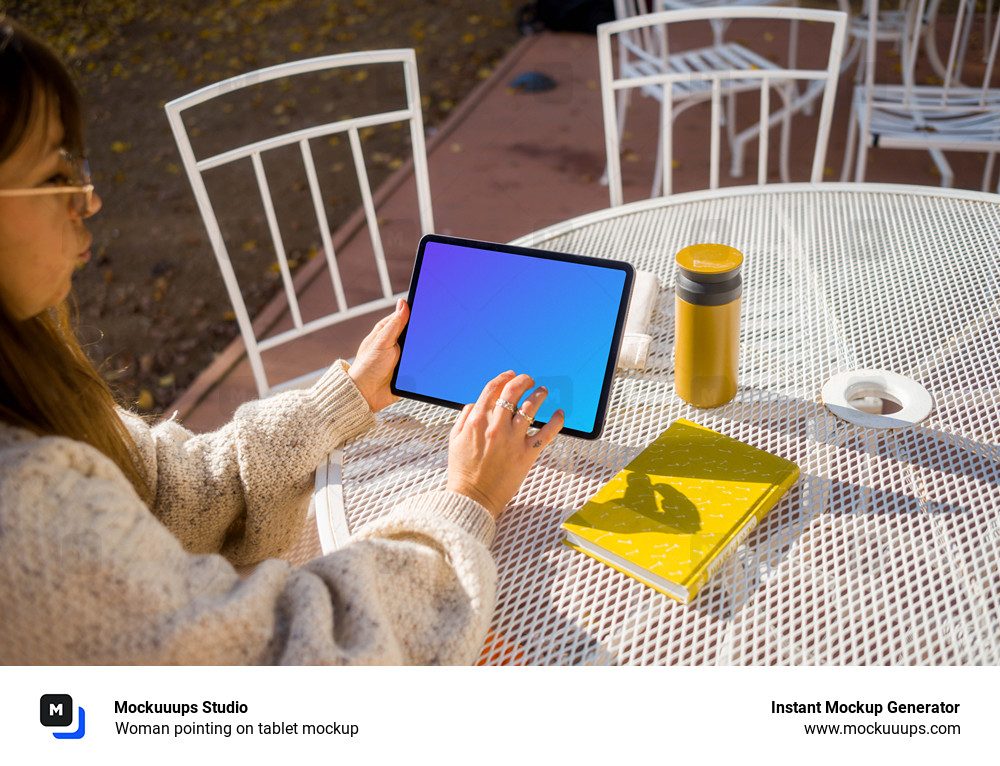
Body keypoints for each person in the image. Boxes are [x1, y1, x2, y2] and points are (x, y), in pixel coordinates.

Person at [0, 17, 564, 665]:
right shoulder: (25, 515)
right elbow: (308, 659)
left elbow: (170, 492)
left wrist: (344, 397)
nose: (88, 201)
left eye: (81, 168)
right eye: (55, 175)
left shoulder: (28, 384)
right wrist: (472, 498)